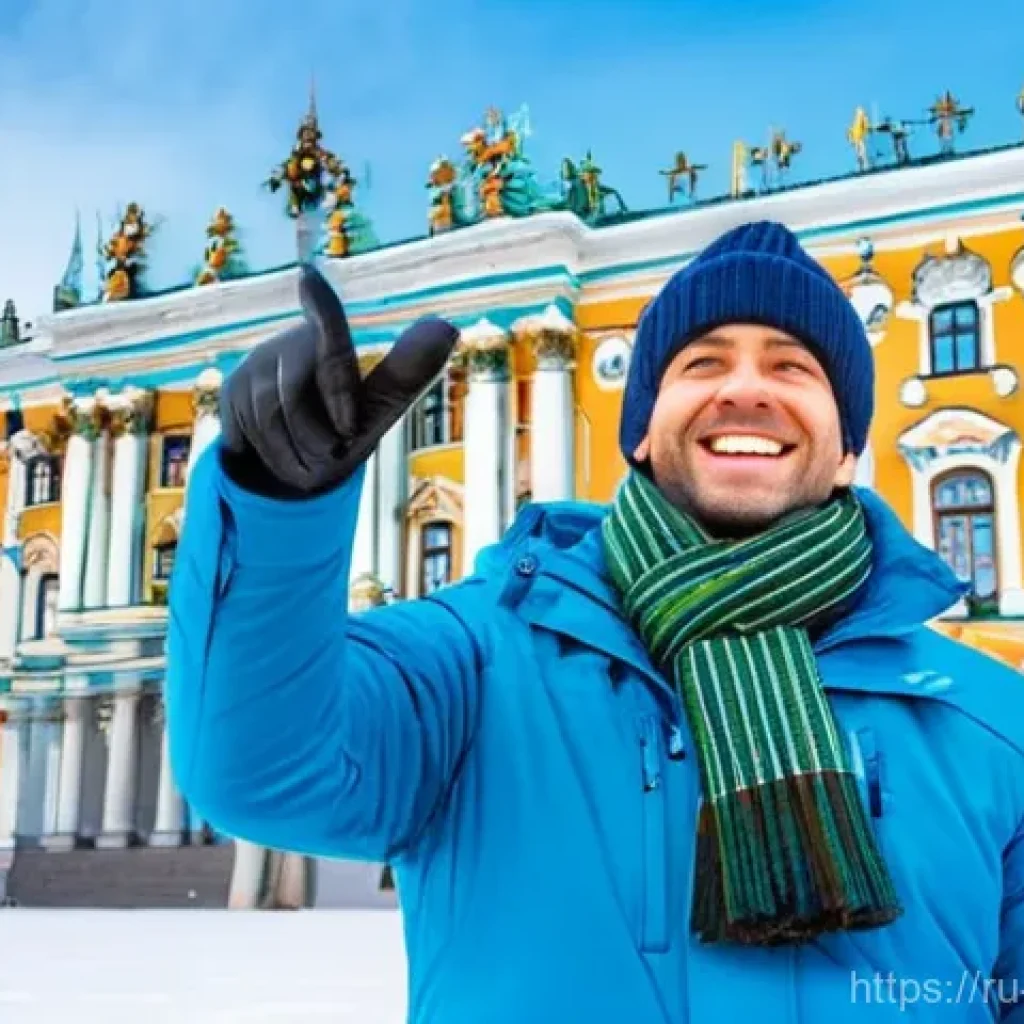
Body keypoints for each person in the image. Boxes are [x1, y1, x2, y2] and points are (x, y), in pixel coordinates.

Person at [166, 221, 1024, 1023]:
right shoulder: (479, 660)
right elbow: (262, 771)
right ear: (642, 432)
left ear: (847, 450)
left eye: (793, 367)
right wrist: (279, 514)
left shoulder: (991, 724)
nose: (745, 388)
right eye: (702, 363)